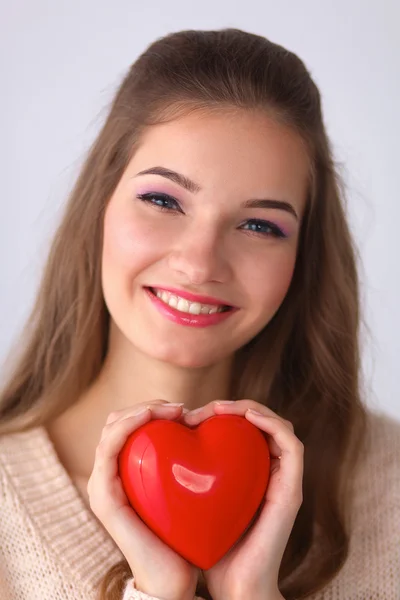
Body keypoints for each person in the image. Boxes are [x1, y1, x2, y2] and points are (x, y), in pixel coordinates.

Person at [0, 26, 399, 600]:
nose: (199, 262)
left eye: (260, 225)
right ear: (101, 205)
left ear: (303, 255)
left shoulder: (391, 487)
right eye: (164, 200)